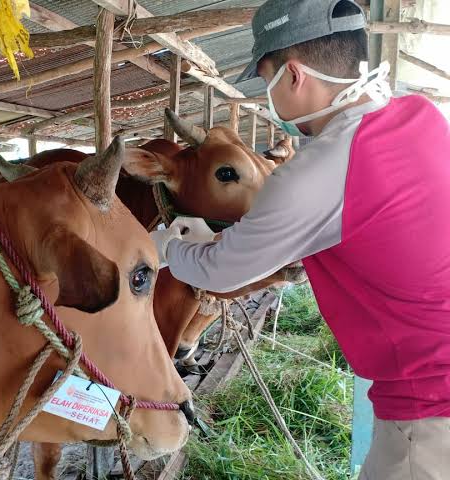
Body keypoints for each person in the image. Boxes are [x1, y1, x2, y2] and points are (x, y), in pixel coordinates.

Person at [150, 1, 450, 478]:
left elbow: (219, 271)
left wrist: (168, 248)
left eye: (265, 79)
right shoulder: (422, 114)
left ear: (293, 75)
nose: (267, 96)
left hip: (432, 407)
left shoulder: (320, 172)